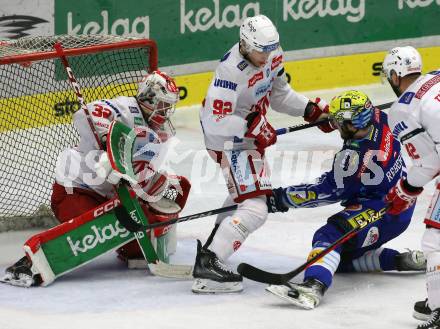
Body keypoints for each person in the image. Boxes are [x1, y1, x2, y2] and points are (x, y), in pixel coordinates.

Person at [1, 70, 191, 287]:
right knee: (99, 228)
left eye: (169, 106)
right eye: (163, 104)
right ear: (149, 98)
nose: (166, 111)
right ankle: (29, 264)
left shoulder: (161, 132)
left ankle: (131, 248)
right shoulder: (124, 108)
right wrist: (106, 138)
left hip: (110, 195)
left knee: (137, 242)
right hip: (76, 190)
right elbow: (84, 115)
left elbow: (141, 170)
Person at [193, 14, 331, 294]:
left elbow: (279, 94)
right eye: (261, 50)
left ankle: (211, 249)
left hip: (247, 139)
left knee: (240, 197)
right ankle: (209, 263)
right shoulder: (229, 72)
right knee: (256, 207)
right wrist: (251, 126)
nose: (267, 56)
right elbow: (213, 122)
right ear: (244, 44)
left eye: (271, 49)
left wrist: (310, 111)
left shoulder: (272, 54)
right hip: (228, 143)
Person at [265, 90, 425, 309]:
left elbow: (326, 191)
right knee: (338, 259)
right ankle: (400, 260)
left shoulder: (351, 160)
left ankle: (313, 287)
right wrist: (329, 120)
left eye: (341, 123)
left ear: (350, 124)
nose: (338, 126)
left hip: (380, 211)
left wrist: (280, 199)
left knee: (329, 236)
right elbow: (354, 116)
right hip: (402, 203)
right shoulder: (381, 117)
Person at [382, 46, 440, 329]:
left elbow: (429, 164)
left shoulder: (402, 109)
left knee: (435, 241)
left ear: (395, 75)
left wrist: (405, 189)